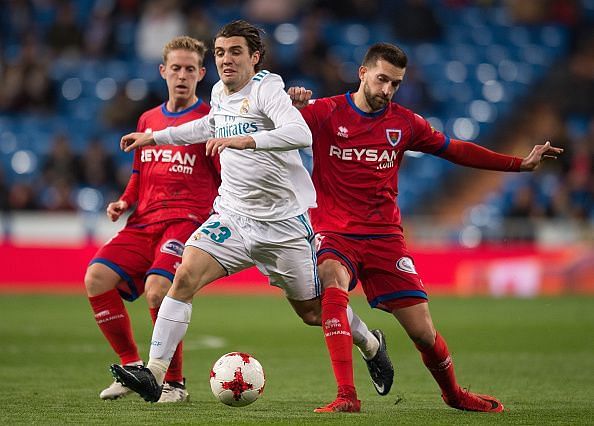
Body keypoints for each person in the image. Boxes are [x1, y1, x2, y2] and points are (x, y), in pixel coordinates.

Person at [110, 20, 393, 406]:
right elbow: (209, 124)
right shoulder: (218, 91)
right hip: (232, 217)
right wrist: (157, 136)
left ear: (255, 57)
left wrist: (246, 140)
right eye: (221, 52)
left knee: (313, 312)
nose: (226, 60)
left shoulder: (268, 89)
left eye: (236, 52)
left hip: (283, 226)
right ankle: (156, 374)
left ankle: (371, 342)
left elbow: (300, 134)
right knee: (184, 277)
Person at [287, 42, 563, 413]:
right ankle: (346, 396)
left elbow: (456, 149)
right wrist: (291, 106)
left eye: (395, 84)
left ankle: (453, 394)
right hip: (335, 232)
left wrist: (518, 164)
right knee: (332, 282)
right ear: (362, 73)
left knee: (423, 332)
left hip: (385, 238)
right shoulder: (323, 113)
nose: (387, 90)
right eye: (382, 79)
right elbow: (271, 129)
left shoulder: (404, 122)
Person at [85, 36, 220, 403]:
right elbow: (139, 171)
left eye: (190, 69)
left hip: (185, 222)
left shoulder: (209, 121)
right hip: (143, 221)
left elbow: (225, 175)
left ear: (201, 74)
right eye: (175, 68)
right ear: (163, 71)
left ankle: (174, 383)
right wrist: (124, 201)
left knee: (158, 290)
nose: (181, 75)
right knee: (96, 278)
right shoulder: (149, 119)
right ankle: (132, 368)